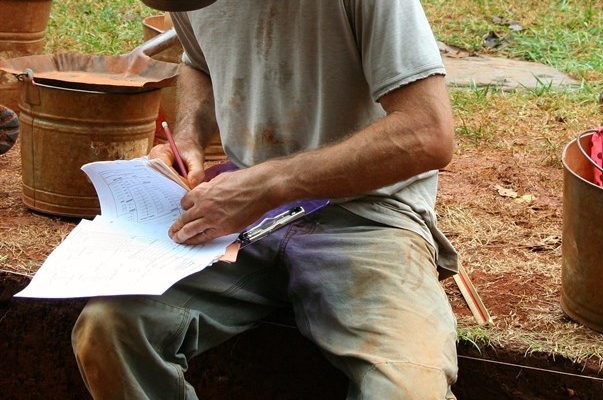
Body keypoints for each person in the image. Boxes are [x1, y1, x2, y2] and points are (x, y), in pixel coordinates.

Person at [71, 0, 460, 399]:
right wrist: (189, 133)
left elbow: (426, 133)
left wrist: (269, 183)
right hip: (241, 222)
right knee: (108, 329)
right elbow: (199, 61)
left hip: (368, 215)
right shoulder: (192, 3)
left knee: (408, 388)